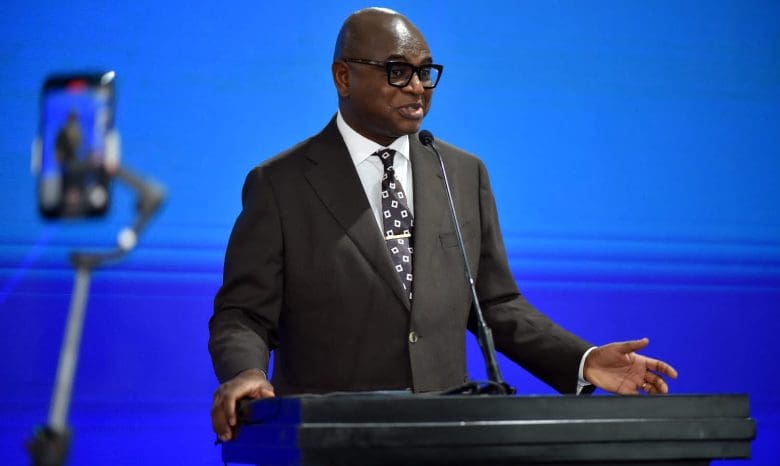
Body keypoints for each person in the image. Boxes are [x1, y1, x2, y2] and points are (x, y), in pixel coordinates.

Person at [209, 7, 678, 442]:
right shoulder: (281, 184)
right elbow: (244, 313)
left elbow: (495, 304)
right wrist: (247, 372)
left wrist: (583, 360)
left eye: (425, 71)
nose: (417, 87)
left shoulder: (461, 173)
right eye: (398, 70)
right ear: (343, 76)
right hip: (331, 440)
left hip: (446, 440)